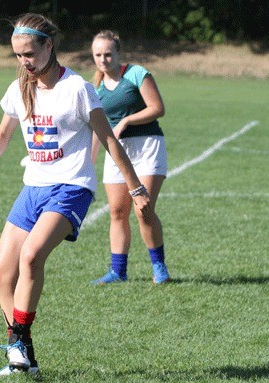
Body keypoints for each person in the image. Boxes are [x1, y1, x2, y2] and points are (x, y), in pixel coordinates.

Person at [0, 13, 152, 376]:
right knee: (1, 274)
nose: (24, 61)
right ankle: (22, 357)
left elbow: (109, 140)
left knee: (32, 256)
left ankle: (18, 341)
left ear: (48, 45)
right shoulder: (18, 89)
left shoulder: (79, 89)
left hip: (71, 187)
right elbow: (3, 134)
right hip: (32, 188)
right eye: (18, 55)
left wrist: (135, 187)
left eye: (29, 53)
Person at [89, 30, 171, 285]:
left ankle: (159, 266)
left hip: (147, 147)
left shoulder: (136, 74)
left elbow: (158, 109)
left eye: (108, 54)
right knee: (116, 211)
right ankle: (118, 271)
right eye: (98, 55)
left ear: (118, 54)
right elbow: (95, 130)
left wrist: (126, 120)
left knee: (143, 209)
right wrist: (88, 164)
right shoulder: (95, 88)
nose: (103, 60)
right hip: (117, 153)